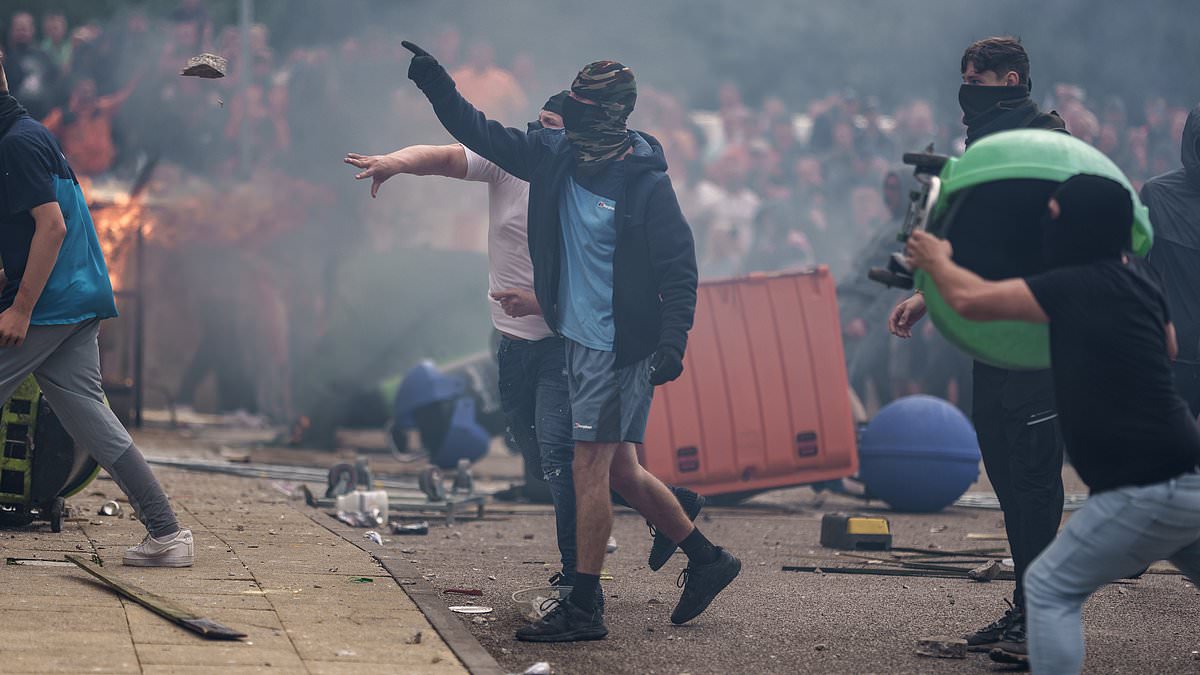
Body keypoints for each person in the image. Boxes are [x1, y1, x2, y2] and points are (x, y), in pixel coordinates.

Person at [402, 41, 740, 642]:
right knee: (624, 474)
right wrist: (436, 85)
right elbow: (479, 132)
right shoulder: (555, 156)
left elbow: (678, 270)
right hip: (574, 340)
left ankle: (584, 606)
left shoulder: (644, 184)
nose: (571, 110)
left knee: (587, 470)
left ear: (610, 113)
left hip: (619, 347)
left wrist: (673, 341)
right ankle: (710, 560)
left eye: (585, 103)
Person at [343, 93, 705, 610]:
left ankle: (579, 585)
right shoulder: (512, 163)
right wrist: (393, 163)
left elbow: (607, 272)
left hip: (568, 340)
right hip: (514, 339)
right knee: (569, 461)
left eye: (554, 128)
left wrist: (544, 302)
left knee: (567, 465)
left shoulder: (587, 180)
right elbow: (447, 155)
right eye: (538, 126)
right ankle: (675, 516)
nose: (542, 137)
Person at [905, 174, 1200, 673]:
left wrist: (935, 263)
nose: (1049, 226)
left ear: (1083, 226)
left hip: (1142, 488)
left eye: (1057, 218)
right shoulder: (1136, 274)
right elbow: (1169, 344)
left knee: (1048, 586)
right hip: (1187, 475)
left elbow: (973, 302)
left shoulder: (1079, 285)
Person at [888, 36, 1067, 655]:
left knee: (1036, 476)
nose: (967, 92)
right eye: (964, 78)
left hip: (1041, 338)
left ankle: (1045, 622)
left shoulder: (1049, 145)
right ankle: (1027, 607)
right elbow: (974, 243)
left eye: (978, 81)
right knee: (1007, 474)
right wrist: (928, 296)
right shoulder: (981, 147)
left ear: (1012, 79)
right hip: (988, 335)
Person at [0, 50, 192, 566]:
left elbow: (54, 227)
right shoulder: (30, 134)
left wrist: (19, 308)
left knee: (90, 417)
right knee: (91, 419)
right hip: (77, 296)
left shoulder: (16, 143)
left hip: (51, 302)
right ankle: (167, 534)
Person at [1141, 105, 1200, 417]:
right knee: (1169, 457)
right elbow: (1136, 271)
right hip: (1172, 352)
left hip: (1174, 348)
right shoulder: (1157, 194)